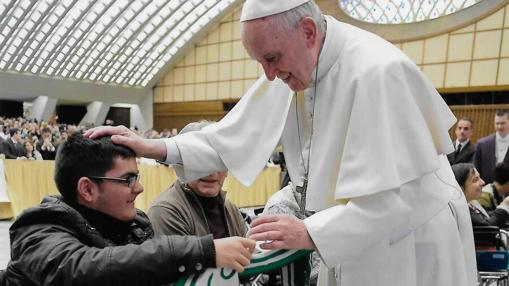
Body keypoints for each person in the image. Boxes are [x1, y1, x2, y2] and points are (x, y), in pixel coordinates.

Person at [85, 1, 477, 285]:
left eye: (271, 58)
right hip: (357, 234)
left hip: (409, 240)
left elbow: (398, 199)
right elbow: (237, 135)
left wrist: (312, 232)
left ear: (307, 30)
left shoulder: (379, 72)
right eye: (262, 63)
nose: (269, 75)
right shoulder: (298, 61)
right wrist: (158, 148)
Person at [1, 133, 254, 285]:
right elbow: (84, 270)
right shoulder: (38, 229)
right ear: (87, 190)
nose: (140, 188)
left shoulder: (136, 226)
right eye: (128, 179)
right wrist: (201, 251)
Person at [147, 121, 246, 238]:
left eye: (218, 161)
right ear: (181, 164)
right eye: (201, 160)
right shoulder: (164, 212)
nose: (211, 171)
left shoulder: (230, 209)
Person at [452, 163, 509, 228]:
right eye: (475, 180)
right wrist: (505, 205)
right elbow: (487, 228)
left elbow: (486, 216)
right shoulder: (462, 210)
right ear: (460, 188)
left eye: (480, 177)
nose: (483, 182)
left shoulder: (471, 203)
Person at [475, 109, 509, 183]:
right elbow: (476, 169)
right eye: (497, 123)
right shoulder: (482, 144)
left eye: (503, 123)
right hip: (487, 188)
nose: (499, 126)